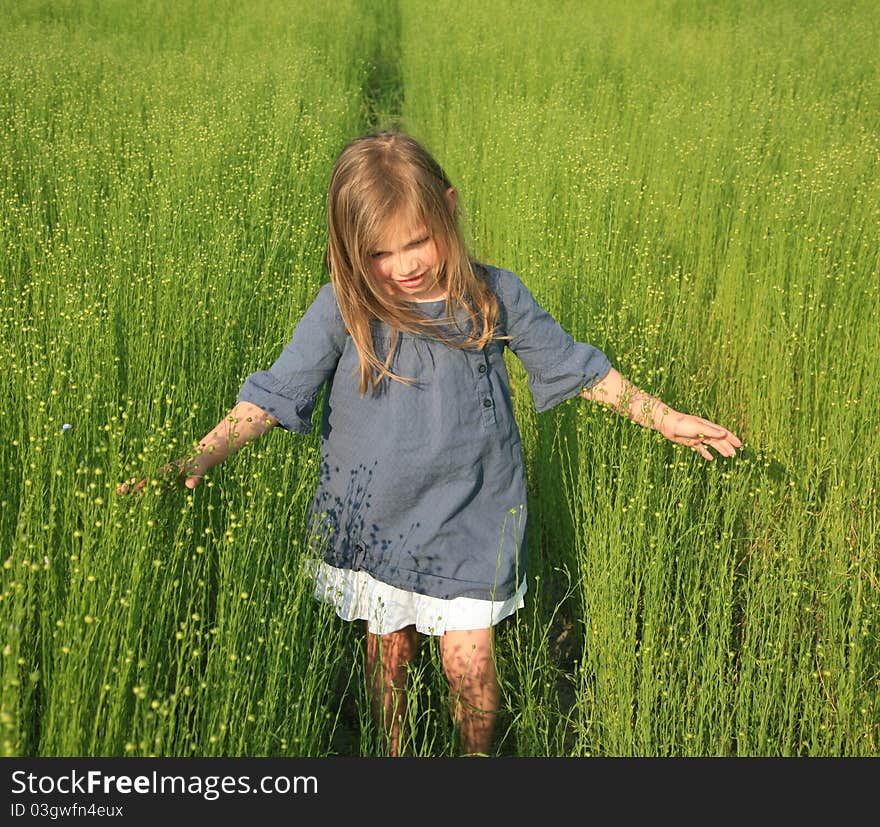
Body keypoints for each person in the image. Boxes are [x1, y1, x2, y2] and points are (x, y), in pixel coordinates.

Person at [118, 130, 742, 757]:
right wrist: (199, 455)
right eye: (381, 253)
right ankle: (392, 750)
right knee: (389, 654)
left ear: (449, 206)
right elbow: (273, 395)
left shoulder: (494, 296)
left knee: (473, 675)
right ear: (351, 251)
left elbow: (577, 369)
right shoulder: (344, 308)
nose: (406, 265)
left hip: (472, 515)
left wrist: (663, 417)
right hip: (378, 521)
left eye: (418, 240)